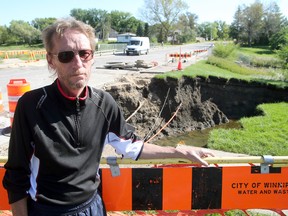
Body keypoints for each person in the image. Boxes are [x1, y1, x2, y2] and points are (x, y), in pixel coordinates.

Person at [2, 18, 214, 216]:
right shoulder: (31, 106)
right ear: (51, 61)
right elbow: (16, 176)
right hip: (47, 210)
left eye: (84, 54)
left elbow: (131, 147)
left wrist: (179, 152)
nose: (78, 63)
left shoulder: (104, 103)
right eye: (66, 56)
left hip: (92, 207)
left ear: (92, 57)